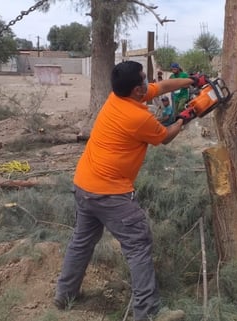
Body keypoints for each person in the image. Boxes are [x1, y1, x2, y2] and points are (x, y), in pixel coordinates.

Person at [54, 61, 204, 321]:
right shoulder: (137, 117)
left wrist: (191, 81)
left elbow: (161, 87)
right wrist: (185, 117)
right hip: (109, 194)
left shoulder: (118, 97)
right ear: (136, 89)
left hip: (84, 184)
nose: (148, 83)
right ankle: (148, 313)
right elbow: (166, 136)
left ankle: (65, 294)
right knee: (138, 243)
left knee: (82, 242)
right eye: (144, 80)